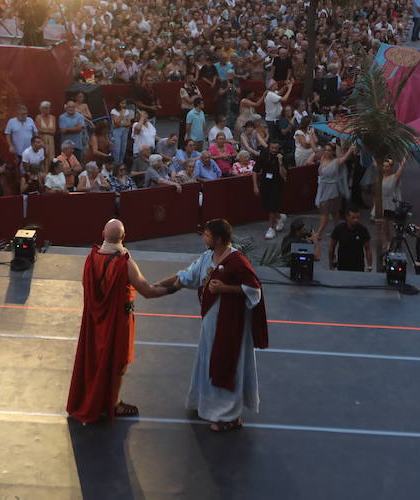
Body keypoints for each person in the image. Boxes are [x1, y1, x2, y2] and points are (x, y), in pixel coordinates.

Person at [156, 219, 269, 432]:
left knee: (228, 363)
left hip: (231, 325)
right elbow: (187, 275)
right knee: (210, 360)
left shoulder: (237, 261)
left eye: (206, 235)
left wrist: (226, 288)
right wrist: (158, 285)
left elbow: (255, 291)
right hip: (211, 323)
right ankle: (207, 405)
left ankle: (230, 415)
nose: (203, 238)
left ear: (218, 239)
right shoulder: (208, 257)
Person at [66, 219, 171, 424]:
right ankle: (114, 402)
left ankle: (95, 399)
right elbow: (148, 291)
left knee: (93, 358)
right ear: (123, 237)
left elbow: (88, 286)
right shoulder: (125, 263)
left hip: (95, 319)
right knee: (119, 361)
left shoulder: (91, 258)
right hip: (118, 319)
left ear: (103, 233)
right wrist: (175, 286)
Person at [312, 139, 357, 244]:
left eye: (329, 150)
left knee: (325, 212)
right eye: (325, 150)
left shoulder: (337, 161)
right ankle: (339, 230)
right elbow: (314, 150)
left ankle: (318, 233)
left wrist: (351, 149)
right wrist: (311, 135)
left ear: (333, 152)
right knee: (334, 212)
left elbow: (346, 157)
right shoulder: (323, 158)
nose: (326, 152)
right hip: (323, 189)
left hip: (332, 190)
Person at [255, 138, 287, 239]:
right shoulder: (263, 154)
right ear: (269, 147)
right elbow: (255, 171)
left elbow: (284, 175)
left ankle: (271, 228)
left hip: (277, 184)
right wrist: (255, 186)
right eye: (272, 148)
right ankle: (280, 217)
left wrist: (280, 162)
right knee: (268, 206)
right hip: (265, 183)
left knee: (272, 207)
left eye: (276, 148)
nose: (274, 150)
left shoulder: (282, 156)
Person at [330, 207, 372, 272]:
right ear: (347, 217)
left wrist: (369, 266)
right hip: (342, 265)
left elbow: (368, 249)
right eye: (353, 218)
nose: (356, 220)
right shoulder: (339, 229)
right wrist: (331, 264)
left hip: (358, 265)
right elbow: (332, 247)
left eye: (357, 218)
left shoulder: (363, 230)